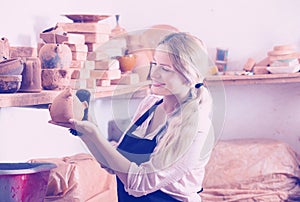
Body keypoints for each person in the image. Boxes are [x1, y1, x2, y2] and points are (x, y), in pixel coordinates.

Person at [54, 32, 215, 202]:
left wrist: (94, 134)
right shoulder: (149, 105)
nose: (154, 74)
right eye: (155, 64)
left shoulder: (197, 126)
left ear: (189, 76)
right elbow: (113, 164)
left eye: (165, 69)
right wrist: (84, 130)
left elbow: (141, 184)